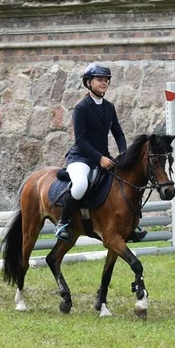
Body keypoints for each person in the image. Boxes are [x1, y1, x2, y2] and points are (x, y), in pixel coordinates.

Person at [55, 63, 128, 241]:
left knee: (125, 181)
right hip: (81, 157)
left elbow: (118, 133)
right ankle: (63, 222)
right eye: (100, 79)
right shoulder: (81, 108)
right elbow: (81, 140)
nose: (104, 83)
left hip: (103, 156)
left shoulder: (109, 107)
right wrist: (100, 158)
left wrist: (124, 154)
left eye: (106, 80)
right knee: (80, 185)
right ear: (88, 82)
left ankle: (129, 222)